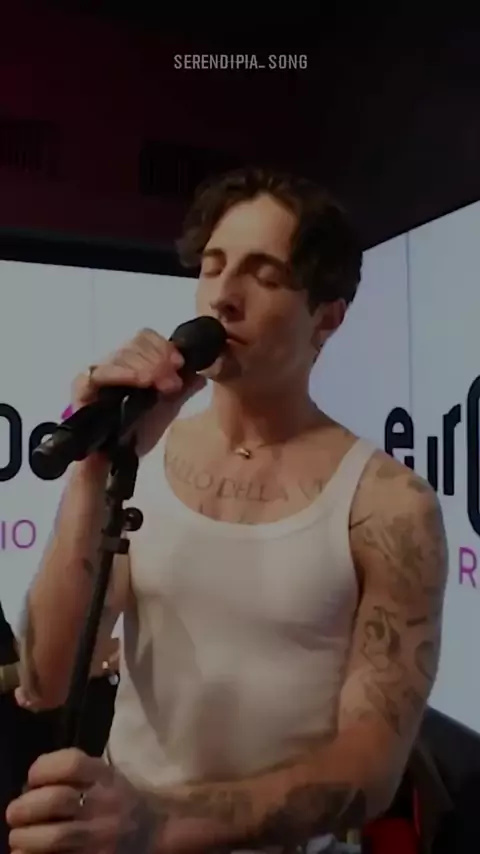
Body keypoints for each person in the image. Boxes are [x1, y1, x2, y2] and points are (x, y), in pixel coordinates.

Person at [7, 168, 448, 854]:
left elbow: (370, 768)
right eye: (212, 267)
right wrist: (94, 469)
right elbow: (46, 678)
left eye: (263, 275)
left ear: (327, 317)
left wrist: (160, 827)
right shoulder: (141, 456)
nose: (223, 296)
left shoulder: (389, 505)